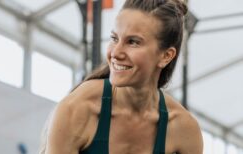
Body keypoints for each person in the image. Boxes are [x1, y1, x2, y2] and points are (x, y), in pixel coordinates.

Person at [40, 0, 203, 153]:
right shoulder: (76, 110)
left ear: (166, 56)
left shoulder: (184, 129)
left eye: (133, 42)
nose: (116, 53)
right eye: (114, 38)